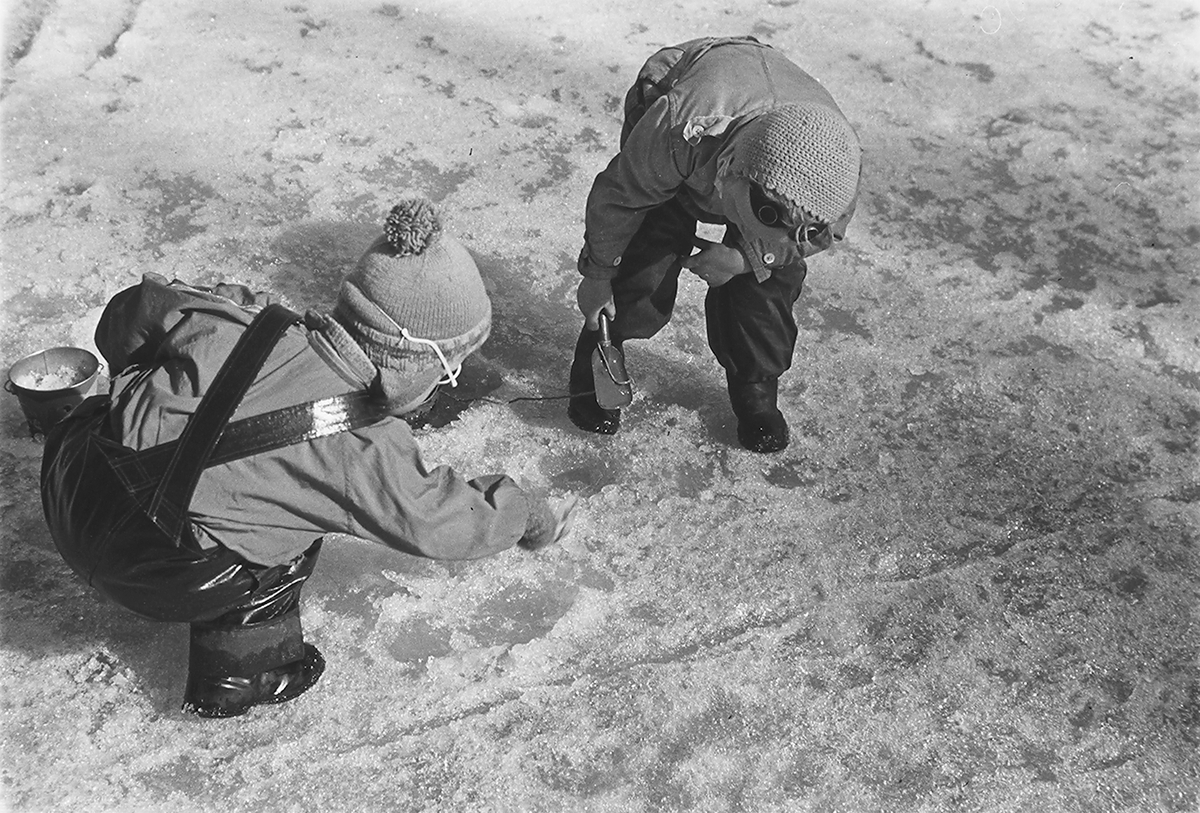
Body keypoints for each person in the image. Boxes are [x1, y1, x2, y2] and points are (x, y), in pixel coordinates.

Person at [41, 197, 576, 719]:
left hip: (71, 484)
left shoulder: (245, 322)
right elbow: (437, 518)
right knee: (292, 525)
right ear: (415, 361)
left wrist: (201, 331)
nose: (443, 383)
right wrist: (519, 512)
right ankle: (245, 675)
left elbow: (125, 316)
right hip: (151, 570)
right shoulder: (363, 448)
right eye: (447, 369)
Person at [569, 36, 862, 453]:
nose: (776, 236)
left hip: (766, 157)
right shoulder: (677, 126)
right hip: (687, 111)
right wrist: (598, 275)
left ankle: (755, 386)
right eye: (765, 218)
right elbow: (620, 197)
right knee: (645, 256)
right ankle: (600, 346)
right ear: (734, 172)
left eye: (797, 228)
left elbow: (821, 235)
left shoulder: (836, 172)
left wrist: (746, 258)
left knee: (768, 286)